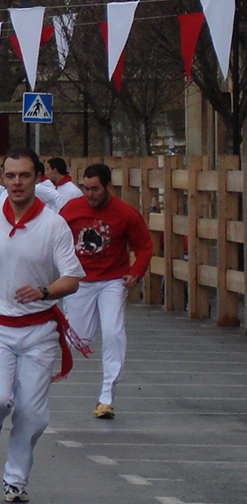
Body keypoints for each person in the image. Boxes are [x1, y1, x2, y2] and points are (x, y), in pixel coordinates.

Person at [0, 147, 85, 503]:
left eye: (25, 176)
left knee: (33, 414)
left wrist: (44, 291)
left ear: (37, 178)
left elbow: (73, 278)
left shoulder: (54, 224)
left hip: (39, 330)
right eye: (11, 176)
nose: (17, 183)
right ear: (3, 178)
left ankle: (15, 479)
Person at [59, 163, 153, 419]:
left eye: (96, 189)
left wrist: (136, 272)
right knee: (81, 339)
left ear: (108, 187)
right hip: (79, 281)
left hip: (113, 281)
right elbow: (53, 238)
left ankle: (107, 396)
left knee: (113, 332)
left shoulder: (125, 213)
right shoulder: (71, 210)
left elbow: (144, 246)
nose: (90, 195)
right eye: (86, 189)